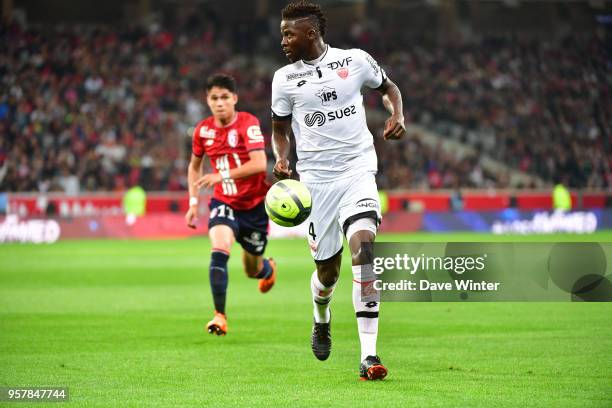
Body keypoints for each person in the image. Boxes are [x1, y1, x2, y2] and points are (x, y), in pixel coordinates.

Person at [271, 1, 405, 380]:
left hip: (357, 170)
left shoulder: (355, 60)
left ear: (310, 33)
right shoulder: (284, 79)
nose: (283, 40)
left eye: (288, 33)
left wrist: (397, 114)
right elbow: (280, 129)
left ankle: (369, 356)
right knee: (328, 273)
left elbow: (389, 87)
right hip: (315, 184)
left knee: (365, 251)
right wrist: (282, 159)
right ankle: (321, 314)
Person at [185, 74, 276, 336]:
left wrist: (220, 175)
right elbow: (194, 167)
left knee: (252, 269)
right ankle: (219, 316)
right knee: (219, 249)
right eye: (214, 98)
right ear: (207, 100)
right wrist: (193, 202)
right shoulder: (203, 130)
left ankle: (268, 268)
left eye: (225, 97)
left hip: (254, 206)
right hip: (224, 201)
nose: (220, 103)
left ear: (234, 99)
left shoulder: (248, 123)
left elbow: (259, 164)